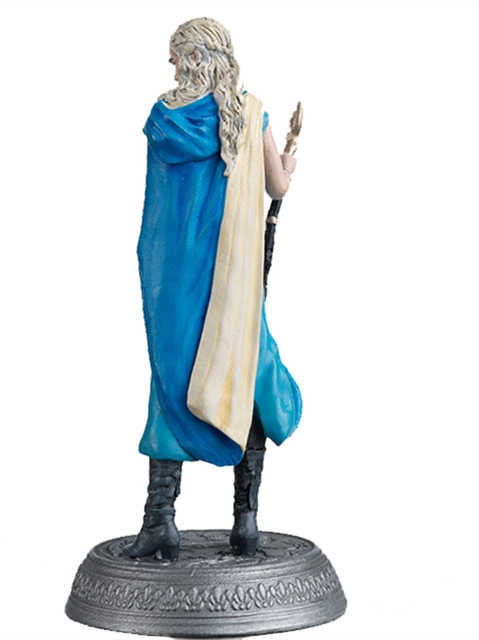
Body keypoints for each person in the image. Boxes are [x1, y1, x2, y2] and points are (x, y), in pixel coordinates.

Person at [124, 17, 302, 561]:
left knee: (172, 381)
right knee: (246, 374)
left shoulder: (164, 118)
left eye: (177, 55)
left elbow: (159, 214)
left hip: (176, 283)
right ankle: (245, 522)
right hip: (232, 282)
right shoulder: (249, 115)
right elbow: (277, 185)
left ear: (198, 58)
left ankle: (160, 519)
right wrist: (288, 162)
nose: (172, 65)